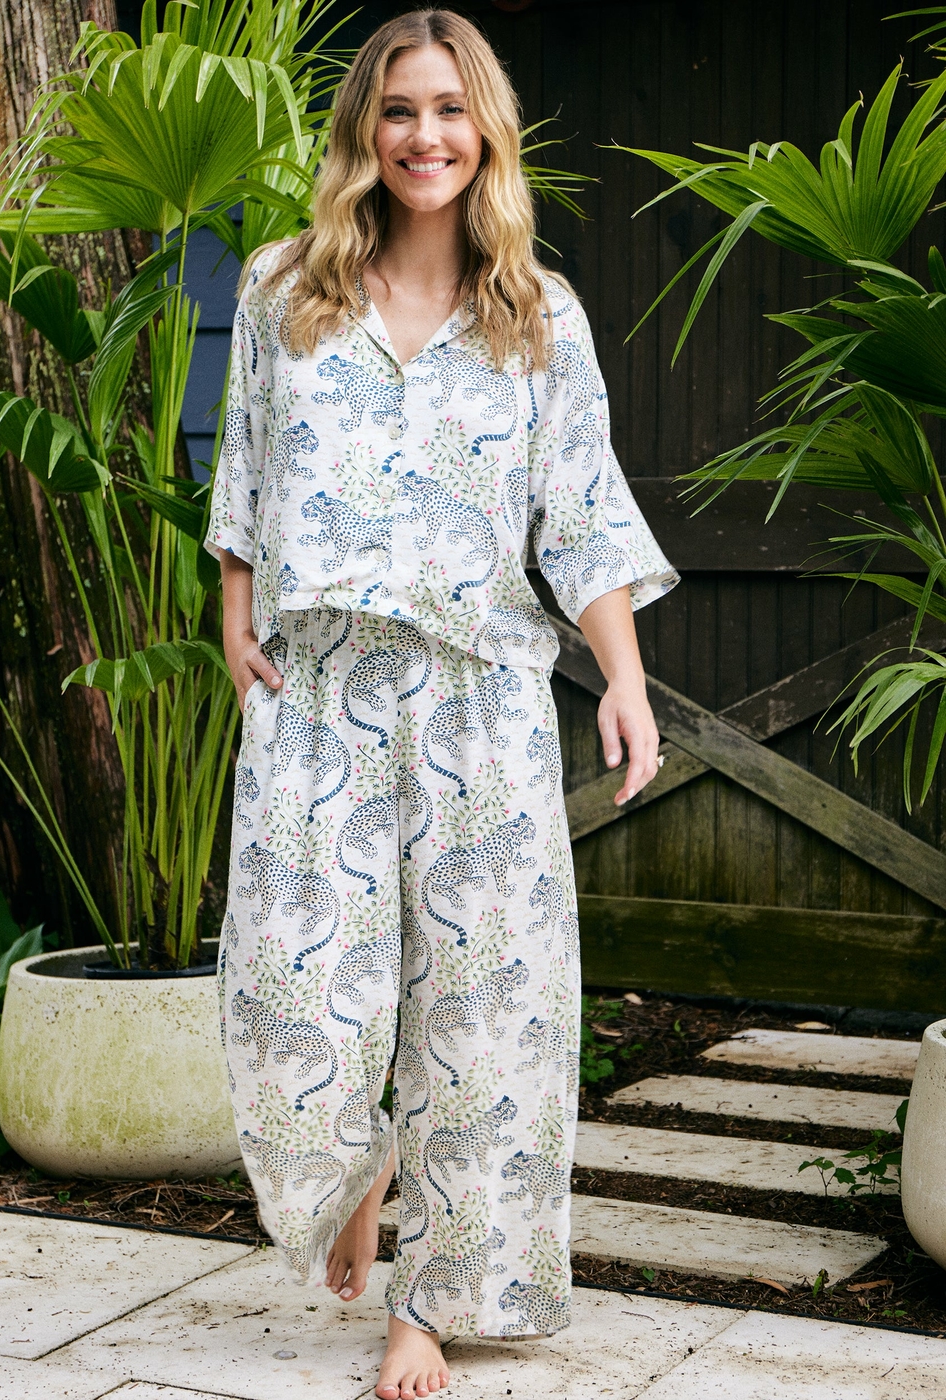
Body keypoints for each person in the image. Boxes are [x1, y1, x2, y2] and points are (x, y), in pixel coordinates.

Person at [205, 10, 678, 1398]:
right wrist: (234, 611)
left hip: (482, 698)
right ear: (366, 128)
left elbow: (581, 512)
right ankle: (355, 1168)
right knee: (296, 983)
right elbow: (246, 468)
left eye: (452, 110)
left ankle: (430, 1301)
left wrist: (626, 680)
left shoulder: (540, 316)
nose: (426, 136)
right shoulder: (286, 288)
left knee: (484, 1008)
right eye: (401, 109)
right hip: (319, 692)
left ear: (489, 134)